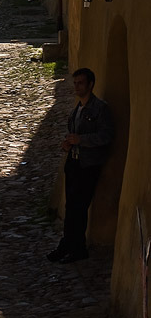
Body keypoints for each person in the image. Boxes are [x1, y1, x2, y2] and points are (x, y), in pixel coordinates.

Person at [47, 67, 114, 263]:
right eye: (75, 83)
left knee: (80, 207)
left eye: (80, 83)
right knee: (71, 207)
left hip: (88, 165)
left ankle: (78, 247)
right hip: (74, 163)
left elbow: (106, 136)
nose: (77, 87)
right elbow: (73, 135)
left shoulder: (100, 109)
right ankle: (68, 244)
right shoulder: (77, 110)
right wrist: (67, 144)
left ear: (90, 84)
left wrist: (81, 140)